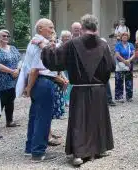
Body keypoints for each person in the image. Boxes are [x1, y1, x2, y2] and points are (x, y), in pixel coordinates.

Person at [41, 14, 114, 166]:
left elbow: (56, 62)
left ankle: (79, 154)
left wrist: (47, 49)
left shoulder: (72, 44)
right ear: (96, 27)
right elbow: (110, 66)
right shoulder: (103, 44)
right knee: (97, 118)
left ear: (82, 27)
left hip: (80, 89)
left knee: (80, 120)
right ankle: (99, 149)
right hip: (98, 89)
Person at [16, 18, 58, 161]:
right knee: (43, 118)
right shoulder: (42, 45)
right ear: (40, 29)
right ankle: (38, 152)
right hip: (43, 83)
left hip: (36, 83)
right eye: (50, 28)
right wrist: (28, 88)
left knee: (34, 116)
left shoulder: (34, 42)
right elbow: (36, 69)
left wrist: (29, 87)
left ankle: (30, 148)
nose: (53, 31)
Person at [0, 29, 21, 131]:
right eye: (3, 36)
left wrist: (17, 69)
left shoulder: (12, 48)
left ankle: (10, 121)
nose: (5, 38)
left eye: (7, 36)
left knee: (11, 99)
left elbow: (20, 59)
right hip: (2, 79)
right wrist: (11, 71)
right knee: (0, 101)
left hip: (13, 79)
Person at [114, 32, 135, 102]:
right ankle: (119, 97)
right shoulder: (118, 45)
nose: (125, 37)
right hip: (120, 64)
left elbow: (134, 54)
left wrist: (128, 61)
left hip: (129, 64)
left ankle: (129, 97)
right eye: (123, 36)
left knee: (129, 80)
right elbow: (117, 54)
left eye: (126, 36)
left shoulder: (130, 45)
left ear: (128, 37)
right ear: (121, 37)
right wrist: (124, 61)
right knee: (119, 80)